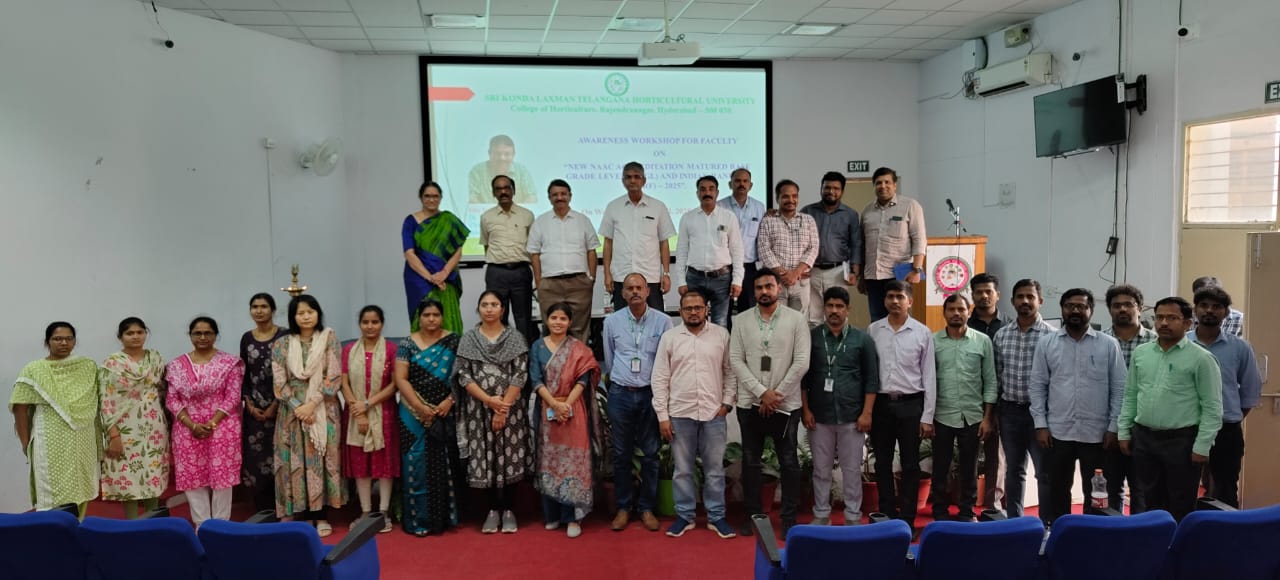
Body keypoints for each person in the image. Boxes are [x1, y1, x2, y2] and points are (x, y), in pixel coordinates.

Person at [1119, 297, 1222, 521]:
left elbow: (1212, 408)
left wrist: (1202, 446)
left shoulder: (1202, 358)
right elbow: (1131, 394)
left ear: (1187, 323)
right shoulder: (1142, 353)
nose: (1164, 323)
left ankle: (1179, 543)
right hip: (1144, 438)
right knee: (1149, 501)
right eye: (1160, 317)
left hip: (1182, 441)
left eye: (1172, 318)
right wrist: (1124, 431)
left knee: (1180, 503)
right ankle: (1154, 542)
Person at [1028, 289, 1126, 523]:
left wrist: (1113, 427)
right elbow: (1037, 386)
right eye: (1069, 306)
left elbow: (1120, 389)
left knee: (1097, 492)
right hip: (1057, 432)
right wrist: (1040, 425)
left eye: (1081, 306)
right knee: (1057, 489)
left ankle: (1093, 533)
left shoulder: (1108, 344)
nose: (1075, 311)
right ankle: (1060, 532)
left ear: (1091, 310)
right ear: (1062, 309)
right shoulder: (1047, 343)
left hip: (1097, 434)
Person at [730, 270, 811, 538]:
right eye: (759, 287)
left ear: (779, 288)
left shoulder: (796, 320)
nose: (764, 291)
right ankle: (754, 516)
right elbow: (736, 360)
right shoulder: (741, 321)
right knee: (750, 462)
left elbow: (802, 362)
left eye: (769, 286)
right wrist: (762, 392)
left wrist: (776, 394)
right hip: (750, 403)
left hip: (785, 405)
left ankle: (788, 518)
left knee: (788, 461)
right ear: (753, 291)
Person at [652, 290, 737, 539]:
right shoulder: (670, 338)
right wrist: (662, 416)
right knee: (682, 470)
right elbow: (660, 378)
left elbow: (730, 372)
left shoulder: (721, 335)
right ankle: (685, 516)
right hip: (680, 413)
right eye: (688, 308)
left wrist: (727, 403)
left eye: (698, 307)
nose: (693, 312)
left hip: (713, 413)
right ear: (680, 311)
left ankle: (716, 517)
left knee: (714, 470)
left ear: (706, 309)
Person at [453, 290, 532, 534]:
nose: (489, 309)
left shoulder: (515, 338)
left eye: (494, 304)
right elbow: (464, 375)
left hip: (510, 411)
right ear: (478, 309)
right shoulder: (469, 339)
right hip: (478, 410)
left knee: (509, 457)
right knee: (484, 457)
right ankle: (491, 510)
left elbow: (520, 374)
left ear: (502, 309)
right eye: (484, 304)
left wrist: (502, 408)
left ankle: (508, 509)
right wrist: (489, 401)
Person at [602, 273, 673, 532]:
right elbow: (609, 358)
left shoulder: (664, 321)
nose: (634, 292)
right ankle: (623, 507)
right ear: (622, 293)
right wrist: (622, 380)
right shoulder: (611, 321)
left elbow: (667, 360)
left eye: (639, 287)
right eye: (629, 288)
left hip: (650, 394)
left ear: (647, 291)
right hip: (621, 393)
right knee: (621, 454)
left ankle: (646, 508)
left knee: (651, 454)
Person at [801, 287, 878, 526]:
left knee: (852, 470)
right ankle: (821, 513)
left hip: (852, 416)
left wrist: (867, 413)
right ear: (824, 308)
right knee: (821, 469)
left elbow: (871, 379)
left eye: (839, 306)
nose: (834, 311)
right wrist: (806, 410)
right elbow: (803, 378)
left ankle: (853, 515)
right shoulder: (812, 338)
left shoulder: (862, 339)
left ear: (847, 309)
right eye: (830, 306)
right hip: (819, 416)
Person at [272, 295, 346, 536]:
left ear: (318, 313)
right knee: (294, 463)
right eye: (300, 312)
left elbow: (334, 376)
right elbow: (279, 383)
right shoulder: (282, 344)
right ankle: (301, 515)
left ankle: (321, 515)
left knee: (320, 462)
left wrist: (311, 405)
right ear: (293, 317)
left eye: (310, 311)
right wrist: (298, 407)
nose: (306, 316)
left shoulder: (329, 339)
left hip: (323, 409)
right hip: (292, 414)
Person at [867, 280, 936, 535]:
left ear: (910, 301)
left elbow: (929, 376)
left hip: (911, 405)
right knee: (882, 463)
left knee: (910, 465)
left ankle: (907, 520)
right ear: (884, 301)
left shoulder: (922, 332)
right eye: (890, 296)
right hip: (882, 405)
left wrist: (927, 416)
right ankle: (886, 516)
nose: (895, 301)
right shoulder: (874, 330)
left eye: (900, 296)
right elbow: (869, 371)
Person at [530, 303, 603, 539]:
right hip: (547, 410)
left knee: (573, 463)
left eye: (563, 318)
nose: (558, 322)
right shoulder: (538, 347)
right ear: (547, 320)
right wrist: (554, 404)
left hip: (574, 412)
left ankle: (572, 517)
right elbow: (535, 379)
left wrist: (565, 405)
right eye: (554, 318)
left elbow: (583, 381)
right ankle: (552, 515)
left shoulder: (579, 349)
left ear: (570, 322)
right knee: (549, 462)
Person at [11, 322, 99, 516]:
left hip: (84, 438)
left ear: (74, 341)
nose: (64, 343)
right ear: (47, 342)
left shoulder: (87, 366)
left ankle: (77, 526)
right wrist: (25, 443)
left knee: (82, 485)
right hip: (50, 438)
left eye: (68, 338)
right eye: (57, 339)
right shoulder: (34, 369)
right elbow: (20, 408)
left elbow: (100, 400)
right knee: (53, 489)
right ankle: (52, 529)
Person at [167, 317, 244, 528]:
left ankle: (221, 527)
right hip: (187, 427)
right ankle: (201, 526)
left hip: (222, 425)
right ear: (190, 335)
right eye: (197, 333)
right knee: (193, 477)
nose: (202, 337)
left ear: (215, 335)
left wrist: (212, 423)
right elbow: (172, 399)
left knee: (222, 476)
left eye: (208, 333)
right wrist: (191, 424)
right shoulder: (176, 366)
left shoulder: (229, 363)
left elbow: (233, 397)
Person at [395, 298, 462, 537]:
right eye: (426, 315)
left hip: (444, 411)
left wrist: (449, 401)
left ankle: (443, 519)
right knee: (414, 462)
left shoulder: (454, 341)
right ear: (419, 318)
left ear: (442, 317)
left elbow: (463, 376)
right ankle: (418, 521)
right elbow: (400, 378)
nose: (431, 319)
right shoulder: (407, 343)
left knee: (443, 462)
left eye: (436, 315)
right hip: (412, 412)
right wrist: (419, 406)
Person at [1189, 286, 1260, 508]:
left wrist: (1230, 418)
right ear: (1195, 310)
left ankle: (1226, 529)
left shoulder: (1240, 348)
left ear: (1226, 312)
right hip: (1186, 428)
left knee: (1225, 490)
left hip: (1226, 430)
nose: (1209, 310)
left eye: (1217, 306)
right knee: (1183, 488)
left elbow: (1250, 391)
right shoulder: (1182, 344)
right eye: (1204, 305)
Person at [992, 279, 1055, 520]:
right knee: (1014, 470)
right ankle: (1015, 522)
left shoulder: (1052, 336)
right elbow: (997, 376)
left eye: (1030, 297)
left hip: (1042, 415)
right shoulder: (1002, 335)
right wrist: (995, 413)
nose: (1025, 301)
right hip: (1010, 413)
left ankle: (1046, 523)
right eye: (1020, 297)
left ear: (1040, 301)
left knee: (1044, 472)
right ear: (1012, 301)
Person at [931, 293, 996, 523]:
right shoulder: (933, 341)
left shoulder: (982, 341)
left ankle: (967, 511)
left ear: (969, 312)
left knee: (970, 467)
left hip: (973, 416)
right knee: (940, 466)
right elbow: (927, 381)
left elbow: (990, 381)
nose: (956, 313)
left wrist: (987, 418)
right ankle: (939, 511)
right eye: (951, 309)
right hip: (941, 415)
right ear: (944, 313)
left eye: (961, 309)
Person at [99, 317, 170, 519]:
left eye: (140, 332)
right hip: (124, 426)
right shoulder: (112, 363)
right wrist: (113, 434)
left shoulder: (155, 358)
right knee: (127, 475)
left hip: (153, 424)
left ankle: (153, 521)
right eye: (130, 333)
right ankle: (132, 524)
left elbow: (163, 391)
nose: (135, 336)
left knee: (152, 472)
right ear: (120, 337)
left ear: (146, 333)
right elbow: (106, 399)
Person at [340, 306, 400, 533]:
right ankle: (365, 511)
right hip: (354, 413)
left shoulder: (392, 349)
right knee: (360, 462)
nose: (370, 326)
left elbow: (395, 384)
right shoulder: (349, 350)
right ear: (360, 324)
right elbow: (343, 382)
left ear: (382, 324)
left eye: (375, 322)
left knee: (384, 463)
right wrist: (358, 409)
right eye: (365, 322)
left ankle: (383, 512)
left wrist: (367, 404)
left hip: (384, 412)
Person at [1101, 284, 1155, 513]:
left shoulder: (1155, 342)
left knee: (1141, 487)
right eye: (1116, 305)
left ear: (1140, 308)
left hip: (1143, 427)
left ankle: (1139, 529)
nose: (1122, 309)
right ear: (1109, 310)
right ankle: (1113, 530)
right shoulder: (1099, 341)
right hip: (1108, 427)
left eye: (1128, 304)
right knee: (1109, 486)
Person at [528, 179, 599, 341]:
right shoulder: (541, 222)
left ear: (570, 196)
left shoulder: (582, 220)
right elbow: (534, 253)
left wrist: (591, 278)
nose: (559, 198)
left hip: (578, 283)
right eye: (555, 195)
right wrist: (539, 282)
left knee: (579, 328)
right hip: (550, 285)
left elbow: (591, 250)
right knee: (551, 327)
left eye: (563, 194)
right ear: (549, 198)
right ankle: (552, 358)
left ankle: (579, 358)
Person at [600, 162, 676, 311]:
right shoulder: (613, 207)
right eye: (628, 177)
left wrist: (666, 273)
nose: (632, 180)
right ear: (623, 181)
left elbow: (664, 243)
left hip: (650, 276)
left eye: (637, 177)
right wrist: (607, 274)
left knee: (655, 319)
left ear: (644, 180)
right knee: (622, 319)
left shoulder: (658, 207)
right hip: (621, 276)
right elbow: (608, 242)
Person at [675, 175, 744, 327]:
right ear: (697, 193)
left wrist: (737, 280)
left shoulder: (728, 217)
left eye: (711, 189)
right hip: (695, 278)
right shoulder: (688, 218)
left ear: (717, 193)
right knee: (694, 322)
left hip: (722, 279)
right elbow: (681, 251)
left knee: (720, 323)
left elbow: (737, 250)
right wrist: (680, 281)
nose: (707, 192)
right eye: (703, 189)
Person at [858, 167, 926, 322]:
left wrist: (917, 269)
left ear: (895, 185)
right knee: (877, 319)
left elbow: (919, 239)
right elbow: (863, 245)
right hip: (873, 275)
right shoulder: (867, 211)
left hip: (899, 275)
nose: (883, 186)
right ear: (874, 186)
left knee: (899, 317)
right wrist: (862, 276)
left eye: (887, 182)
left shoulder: (910, 206)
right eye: (878, 183)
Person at [966, 273, 1009, 510]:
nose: (984, 296)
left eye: (988, 291)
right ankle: (967, 505)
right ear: (972, 295)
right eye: (979, 292)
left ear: (997, 295)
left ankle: (993, 508)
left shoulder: (1009, 325)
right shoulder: (964, 324)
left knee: (997, 457)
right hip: (970, 400)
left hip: (1002, 401)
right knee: (967, 456)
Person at [240, 292, 287, 512]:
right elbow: (243, 373)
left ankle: (282, 507)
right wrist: (249, 404)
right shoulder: (247, 338)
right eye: (255, 306)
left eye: (264, 306)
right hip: (254, 411)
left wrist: (275, 405)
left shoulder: (284, 336)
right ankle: (261, 508)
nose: (259, 311)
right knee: (255, 458)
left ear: (273, 310)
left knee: (279, 456)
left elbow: (289, 372)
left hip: (281, 407)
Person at [404, 181, 469, 333]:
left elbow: (458, 251)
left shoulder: (448, 220)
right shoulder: (410, 221)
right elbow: (409, 253)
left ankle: (451, 348)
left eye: (435, 196)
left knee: (448, 317)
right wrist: (431, 278)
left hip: (446, 278)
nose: (431, 200)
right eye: (427, 196)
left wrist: (444, 273)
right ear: (421, 197)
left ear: (440, 198)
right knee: (424, 316)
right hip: (419, 279)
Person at [800, 171, 862, 327]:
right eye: (827, 187)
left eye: (836, 188)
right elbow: (798, 241)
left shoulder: (850, 214)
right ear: (821, 188)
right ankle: (816, 343)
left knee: (838, 315)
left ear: (842, 191)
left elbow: (856, 243)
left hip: (838, 272)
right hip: (812, 271)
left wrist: (855, 272)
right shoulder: (807, 211)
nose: (831, 191)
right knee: (812, 317)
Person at [480, 175, 536, 344]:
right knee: (497, 317)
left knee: (523, 318)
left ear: (513, 190)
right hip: (497, 273)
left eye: (506, 188)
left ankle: (524, 353)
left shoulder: (527, 215)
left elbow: (533, 246)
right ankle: (500, 353)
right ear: (493, 193)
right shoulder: (486, 217)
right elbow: (486, 245)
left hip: (521, 271)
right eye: (498, 189)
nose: (503, 192)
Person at [756, 179, 818, 315]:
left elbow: (813, 249)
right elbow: (764, 250)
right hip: (776, 283)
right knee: (775, 320)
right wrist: (784, 274)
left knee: (799, 321)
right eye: (785, 196)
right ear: (777, 198)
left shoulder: (808, 220)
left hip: (800, 283)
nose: (791, 200)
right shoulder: (768, 221)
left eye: (794, 196)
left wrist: (795, 273)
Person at [719, 168, 766, 316]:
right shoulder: (719, 206)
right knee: (724, 311)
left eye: (745, 181)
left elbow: (762, 237)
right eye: (737, 181)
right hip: (725, 266)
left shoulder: (759, 207)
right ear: (730, 184)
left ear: (750, 185)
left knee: (748, 311)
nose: (741, 184)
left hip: (749, 267)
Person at [468, 134, 536, 204]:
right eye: (498, 154)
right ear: (489, 153)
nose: (502, 158)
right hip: (486, 211)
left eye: (507, 154)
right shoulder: (477, 172)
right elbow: (473, 199)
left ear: (513, 154)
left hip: (517, 210)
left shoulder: (522, 171)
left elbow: (532, 197)